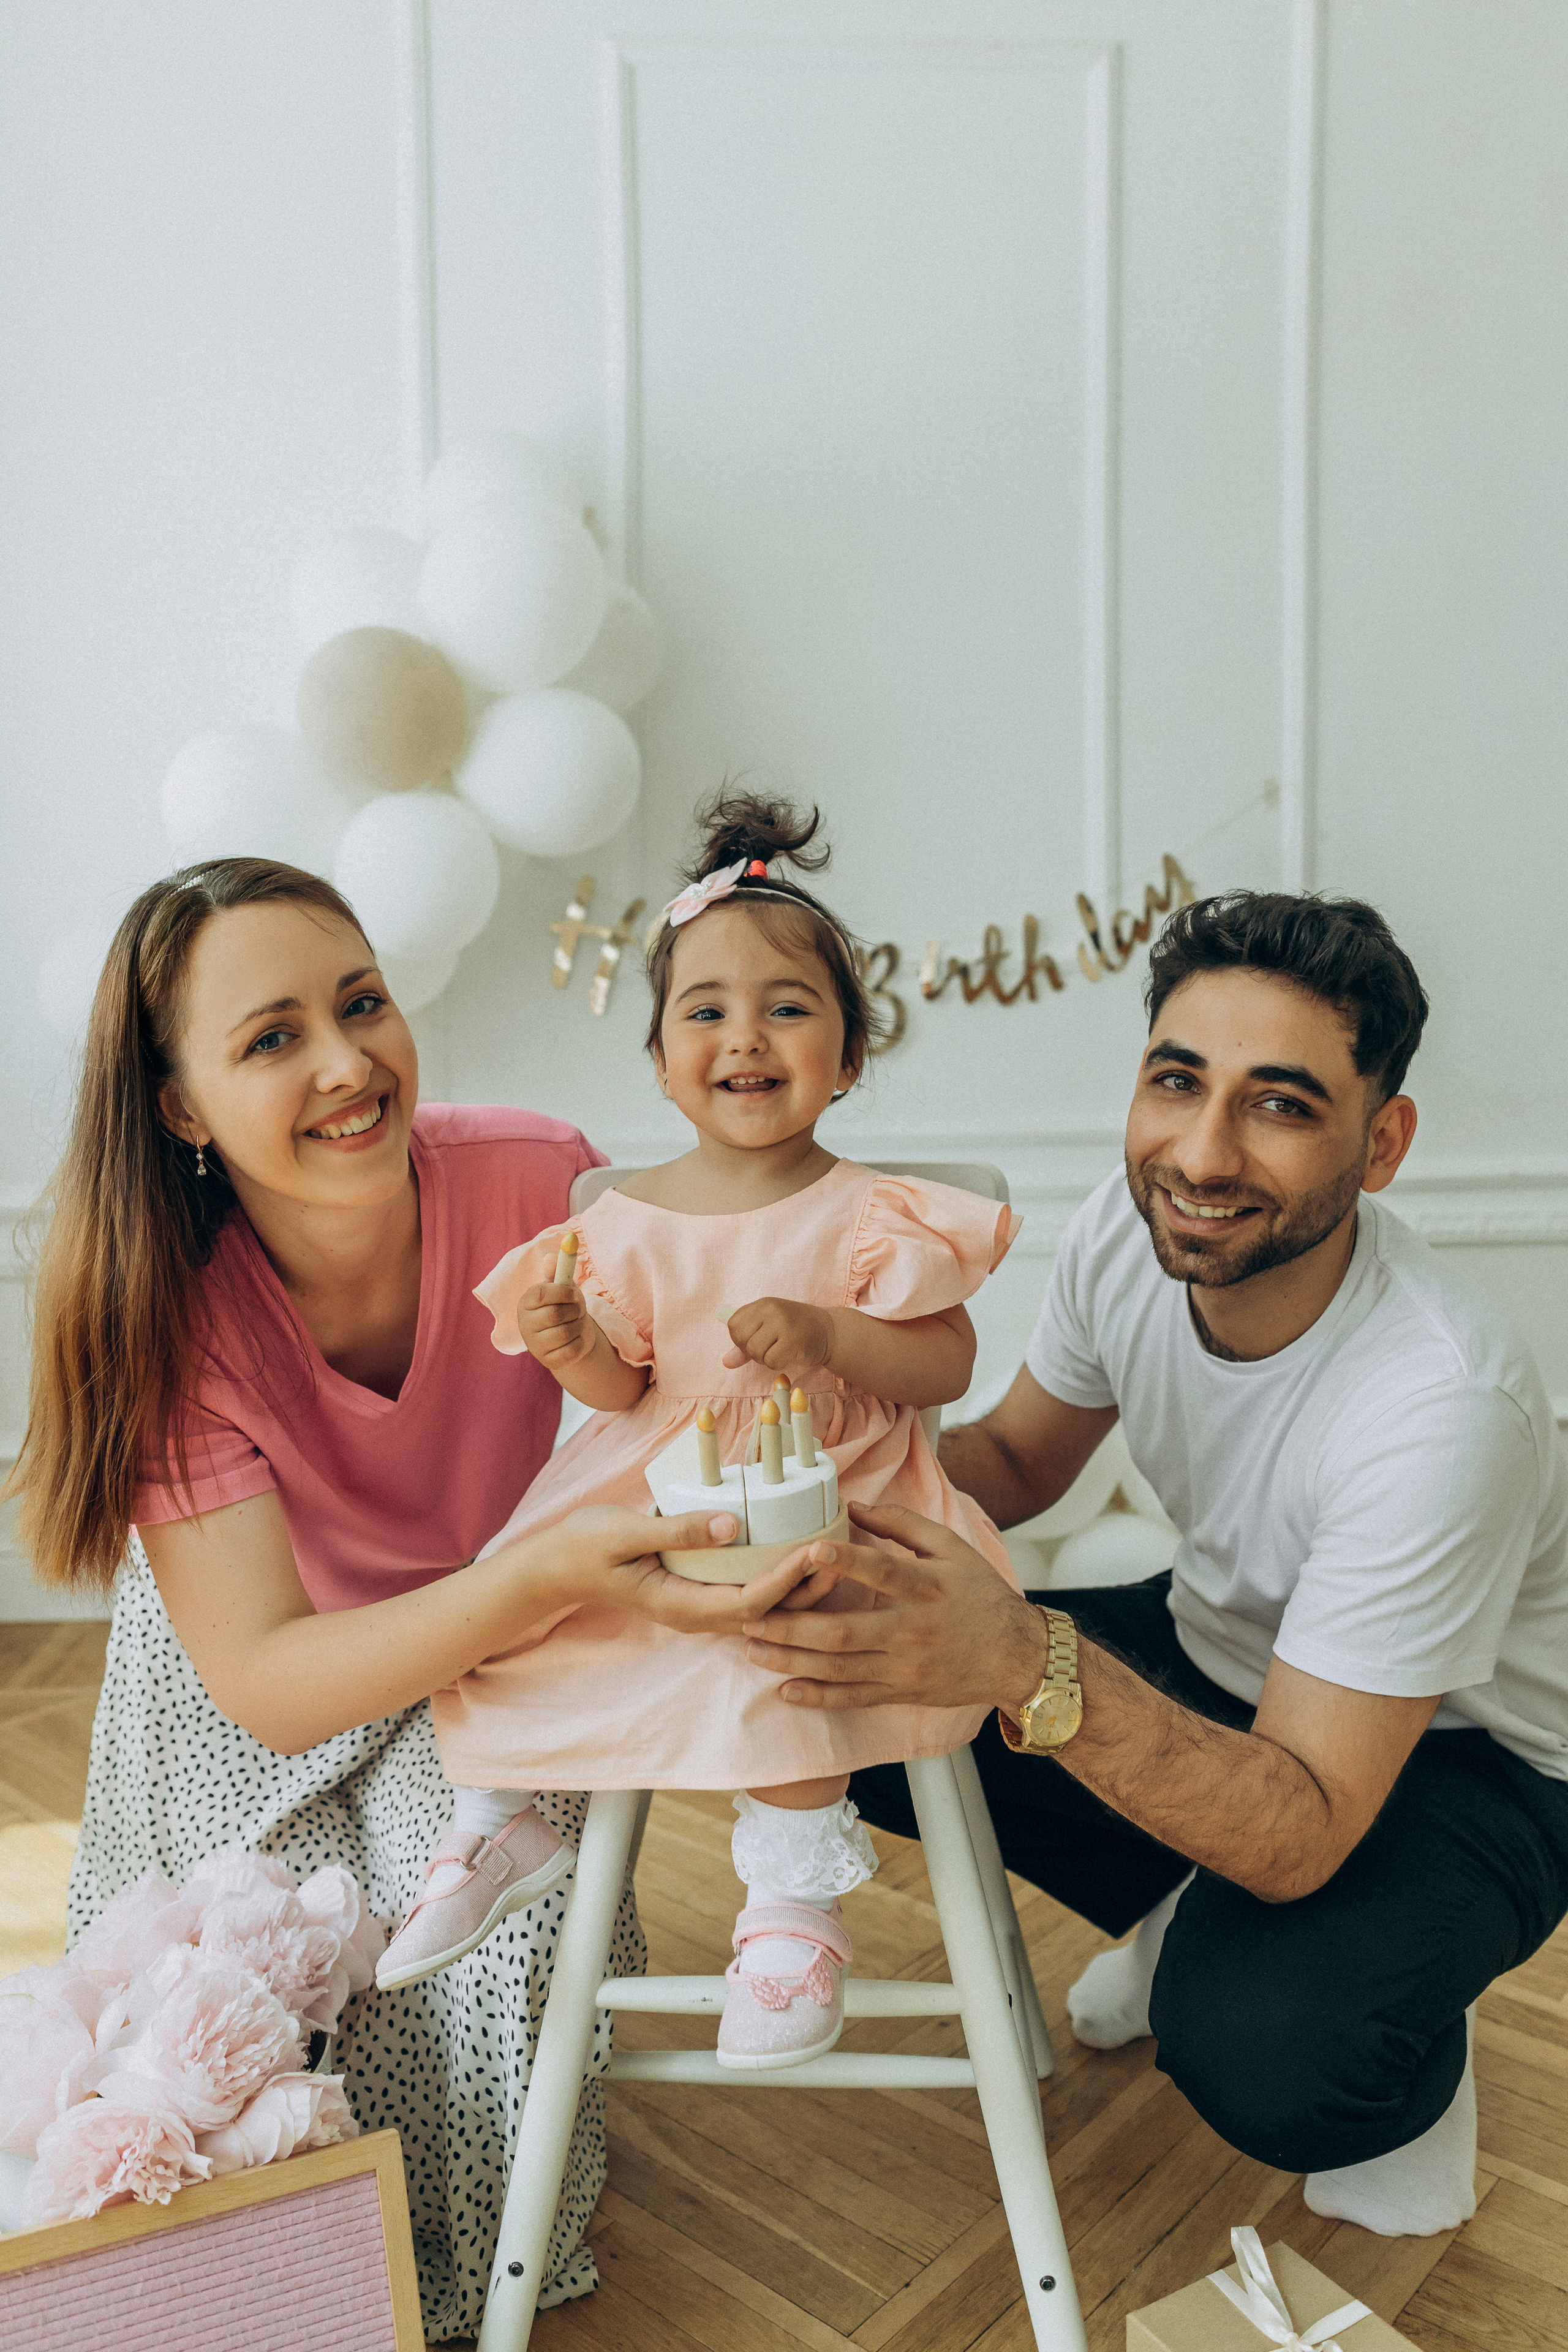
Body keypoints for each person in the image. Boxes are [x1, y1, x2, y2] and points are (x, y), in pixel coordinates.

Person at [7, 857, 784, 2342]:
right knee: (253, 2010)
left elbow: (683, 1399)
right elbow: (273, 1675)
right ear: (180, 1107)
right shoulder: (165, 1311)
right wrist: (531, 1581)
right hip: (261, 1672)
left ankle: (441, 2290)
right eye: (271, 1038)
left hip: (492, 1644)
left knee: (487, 1952)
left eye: (360, 1004)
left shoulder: (539, 1179)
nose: (348, 1063)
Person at [737, 891, 1568, 2237]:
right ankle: (1193, 1894)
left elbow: (1300, 1828)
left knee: (1266, 2047)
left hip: (1467, 1761)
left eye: (1280, 1104)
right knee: (855, 1696)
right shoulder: (1134, 1234)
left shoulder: (1437, 1404)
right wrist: (799, 1522)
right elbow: (1011, 1459)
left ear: (1383, 1139)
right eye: (1175, 1081)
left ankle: (1405, 2048)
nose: (1200, 1149)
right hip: (1225, 1655)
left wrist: (1012, 1653)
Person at [378, 793, 1023, 2073]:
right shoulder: (619, 1218)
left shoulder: (868, 1212)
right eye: (706, 1011)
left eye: (787, 1007)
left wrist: (838, 1340)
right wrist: (572, 1342)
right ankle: (504, 1820)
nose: (746, 1036)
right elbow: (622, 1394)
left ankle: (789, 1912)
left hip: (828, 1483)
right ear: (664, 1061)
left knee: (793, 1644)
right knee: (513, 1611)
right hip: (661, 1487)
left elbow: (945, 1357)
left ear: (847, 1056)